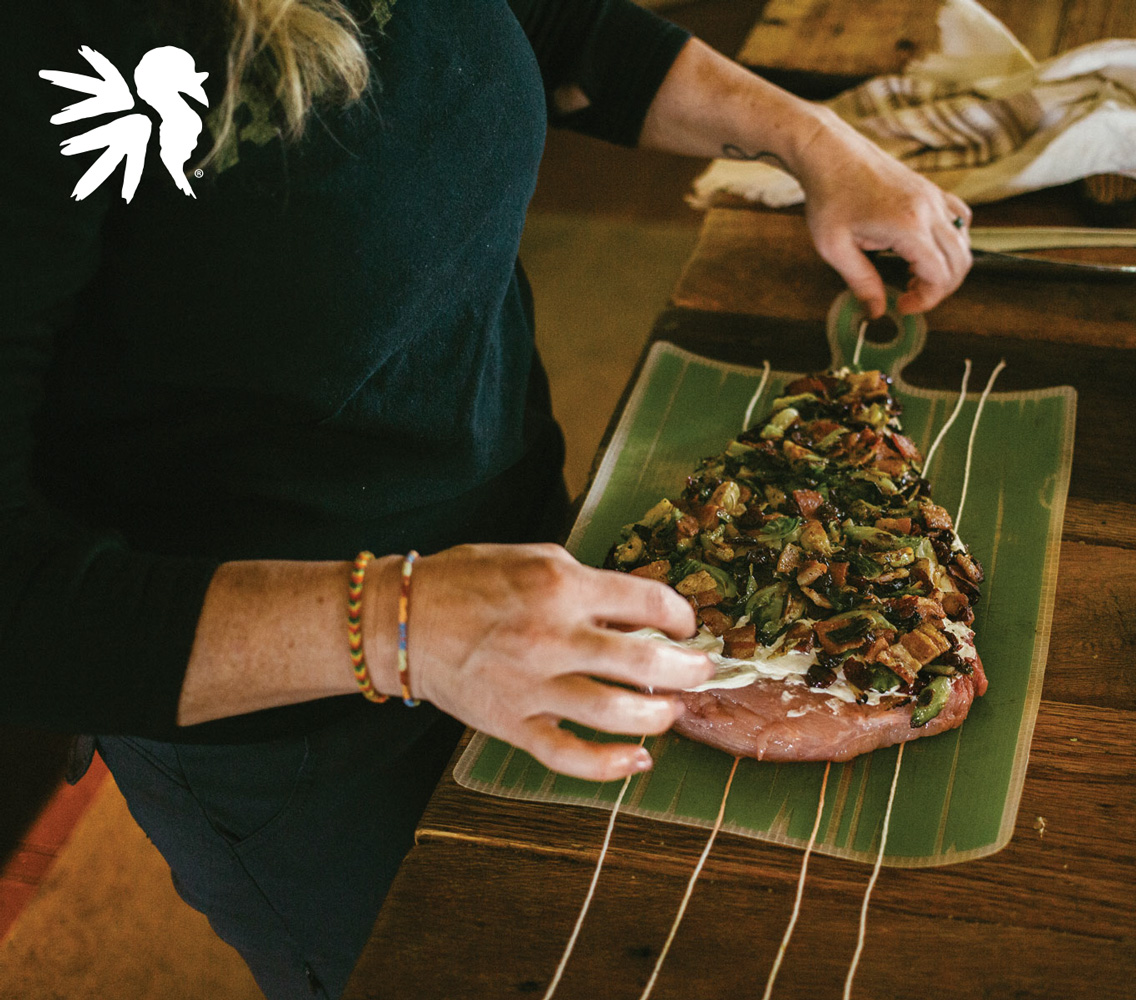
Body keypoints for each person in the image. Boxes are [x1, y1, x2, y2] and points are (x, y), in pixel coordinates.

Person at [1, 1, 972, 996]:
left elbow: (546, 31)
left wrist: (811, 140)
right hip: (292, 717)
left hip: (535, 570)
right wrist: (403, 622)